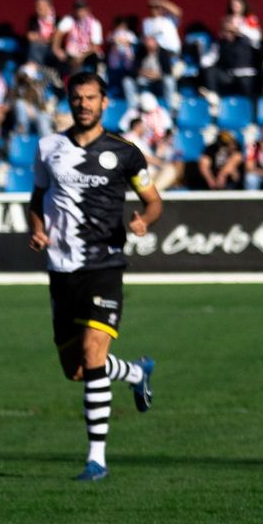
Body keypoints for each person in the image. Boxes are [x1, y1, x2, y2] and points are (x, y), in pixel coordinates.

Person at [27, 71, 162, 483]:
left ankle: (96, 459)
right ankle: (136, 373)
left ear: (105, 102)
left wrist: (144, 222)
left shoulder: (126, 153)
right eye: (77, 98)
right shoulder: (49, 147)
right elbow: (36, 196)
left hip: (104, 264)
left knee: (92, 352)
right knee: (77, 369)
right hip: (61, 268)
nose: (83, 104)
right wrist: (36, 226)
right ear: (69, 102)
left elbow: (153, 201)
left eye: (91, 98)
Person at [52, 0, 102, 76]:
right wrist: (56, 49)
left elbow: (95, 46)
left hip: (87, 56)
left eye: (82, 10)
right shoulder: (69, 19)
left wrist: (82, 56)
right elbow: (58, 33)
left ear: (87, 10)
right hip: (70, 56)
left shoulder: (94, 23)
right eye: (78, 10)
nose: (80, 12)